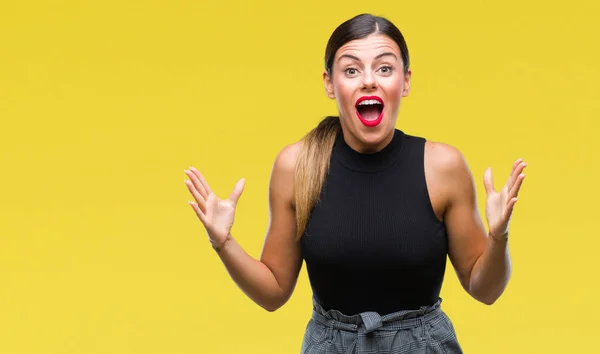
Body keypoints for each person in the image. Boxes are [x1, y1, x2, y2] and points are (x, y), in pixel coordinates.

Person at [184, 13, 527, 354]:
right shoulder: (297, 167)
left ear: (405, 82)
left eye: (384, 68)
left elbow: (485, 290)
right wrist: (223, 242)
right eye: (351, 70)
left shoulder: (442, 167)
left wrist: (499, 238)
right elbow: (273, 292)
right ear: (330, 84)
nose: (368, 81)